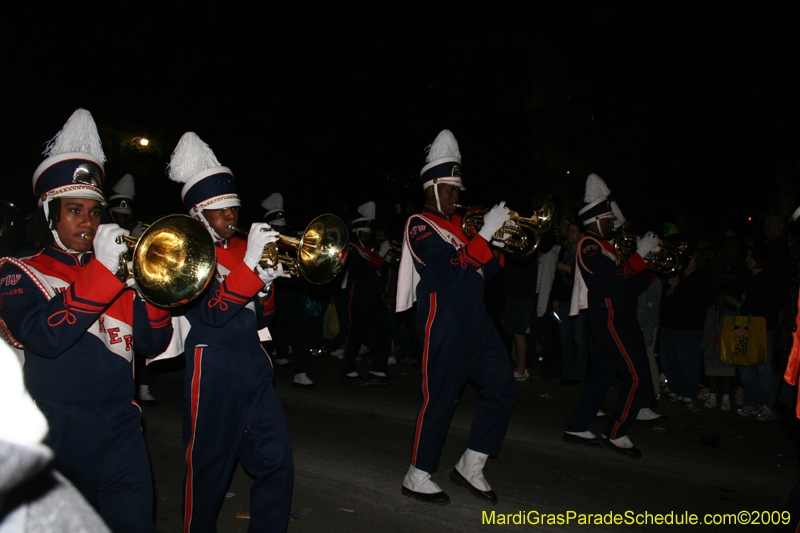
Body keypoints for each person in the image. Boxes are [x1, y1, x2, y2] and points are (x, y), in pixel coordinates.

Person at [0, 109, 173, 532]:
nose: (88, 221)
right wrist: (104, 274)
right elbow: (44, 337)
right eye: (74, 210)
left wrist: (152, 286)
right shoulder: (17, 270)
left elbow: (152, 344)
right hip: (57, 432)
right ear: (50, 215)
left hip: (123, 429)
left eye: (94, 212)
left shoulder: (113, 271)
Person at [166, 132, 292, 532]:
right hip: (213, 368)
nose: (233, 218)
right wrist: (253, 270)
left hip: (255, 365)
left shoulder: (242, 249)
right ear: (199, 214)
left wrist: (267, 284)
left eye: (234, 209)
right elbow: (213, 315)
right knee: (208, 473)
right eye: (222, 211)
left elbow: (261, 319)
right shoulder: (182, 251)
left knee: (278, 463)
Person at [397, 129, 516, 504]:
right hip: (443, 317)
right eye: (449, 189)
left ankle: (472, 464)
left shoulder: (462, 226)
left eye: (457, 189)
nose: (456, 195)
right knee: (441, 397)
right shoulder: (419, 224)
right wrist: (484, 236)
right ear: (431, 187)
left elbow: (481, 271)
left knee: (503, 385)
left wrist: (497, 242)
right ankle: (417, 474)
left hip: (476, 318)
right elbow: (450, 269)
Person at [562, 173, 659, 459]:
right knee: (637, 375)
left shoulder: (604, 245)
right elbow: (610, 281)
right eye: (607, 218)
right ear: (595, 220)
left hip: (617, 314)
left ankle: (578, 425)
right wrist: (638, 258)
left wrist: (648, 267)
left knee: (602, 376)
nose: (612, 223)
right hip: (610, 317)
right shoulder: (589, 245)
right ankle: (615, 430)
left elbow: (627, 285)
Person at [261, 192, 317, 388]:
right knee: (266, 335)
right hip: (270, 294)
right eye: (276, 228)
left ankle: (302, 372)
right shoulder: (261, 245)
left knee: (301, 332)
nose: (280, 231)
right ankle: (262, 373)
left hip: (292, 293)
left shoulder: (290, 244)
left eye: (282, 227)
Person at [340, 200, 392, 383]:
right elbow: (361, 271)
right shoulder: (352, 249)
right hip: (359, 296)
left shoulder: (370, 250)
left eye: (370, 232)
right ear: (357, 232)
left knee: (385, 329)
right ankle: (347, 368)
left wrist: (385, 258)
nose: (369, 236)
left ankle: (378, 369)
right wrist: (380, 257)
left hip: (374, 297)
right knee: (356, 332)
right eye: (365, 232)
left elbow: (379, 272)